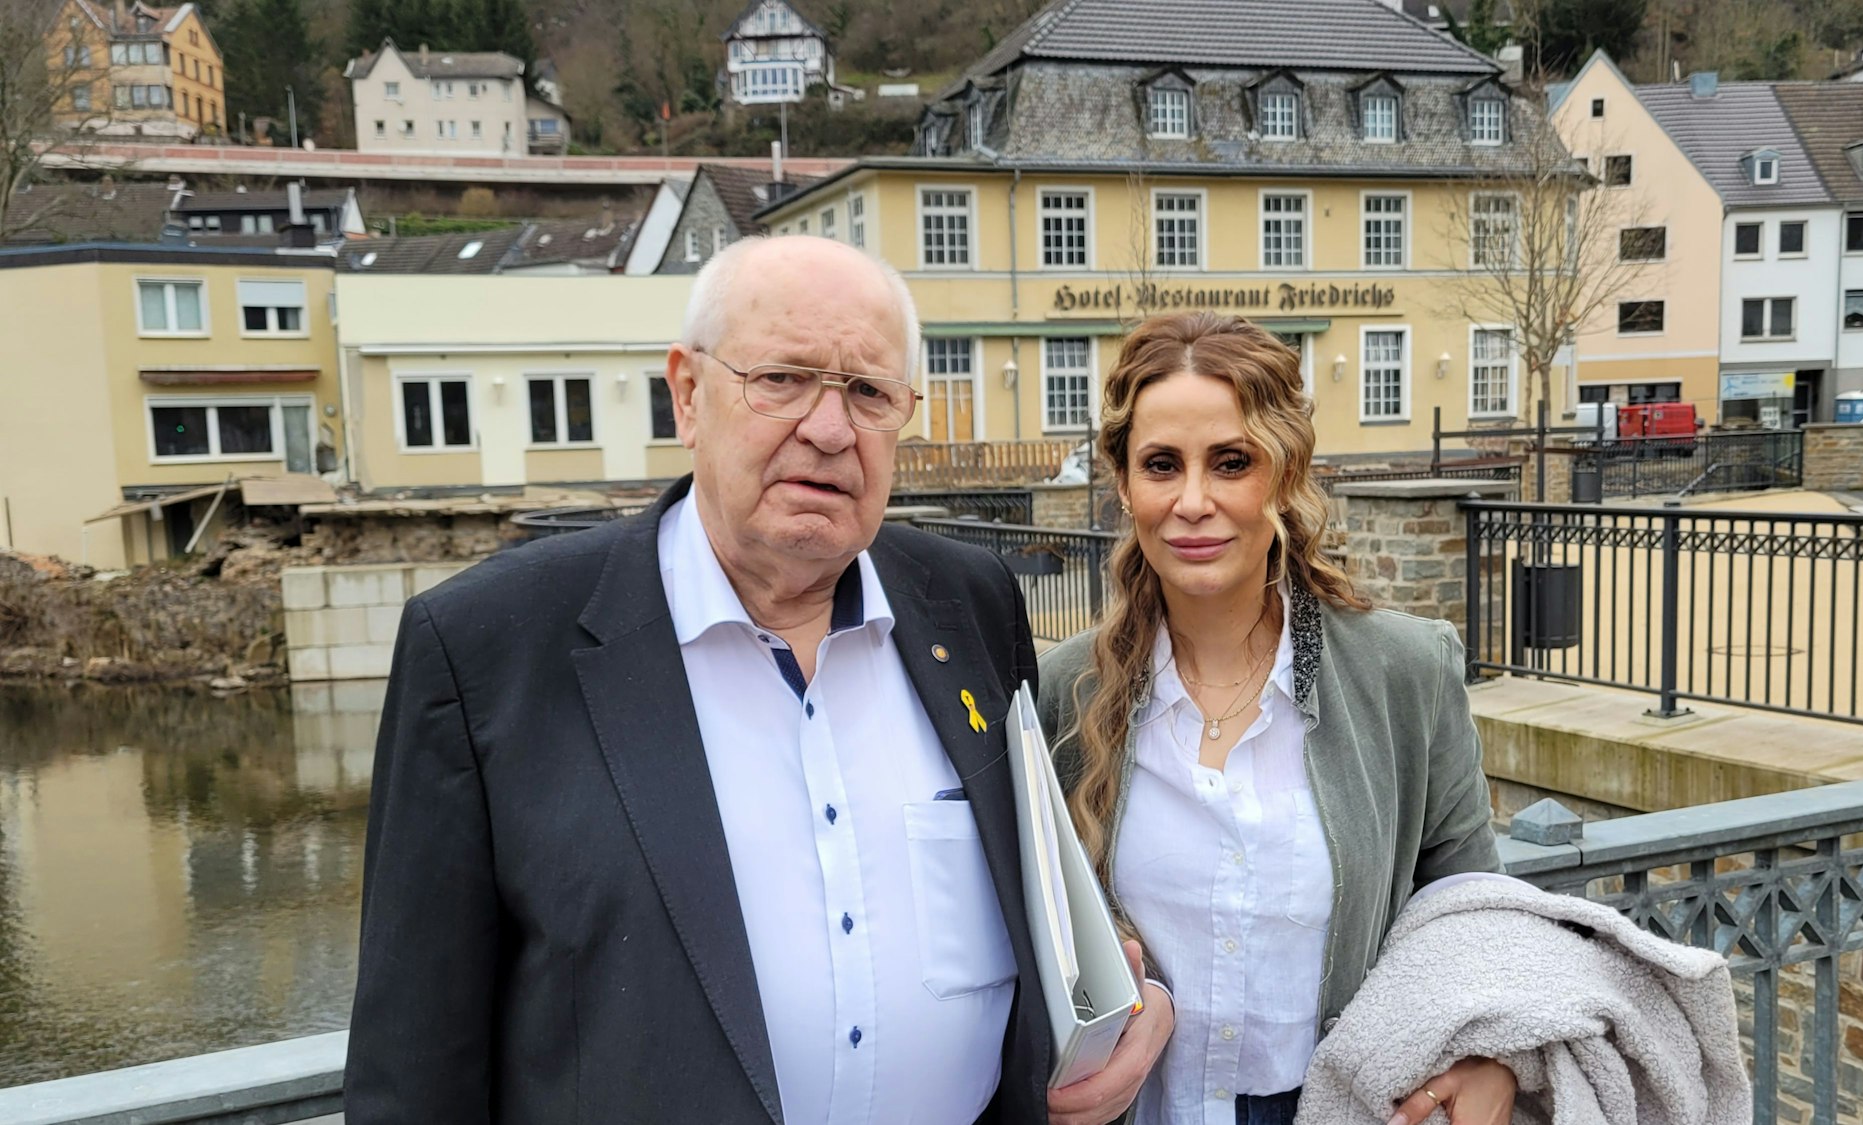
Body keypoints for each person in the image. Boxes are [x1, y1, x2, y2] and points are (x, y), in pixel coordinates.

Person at [345, 235, 1170, 1124]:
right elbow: (414, 1068)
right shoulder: (485, 651)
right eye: (782, 378)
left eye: (868, 391)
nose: (829, 427)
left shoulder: (969, 607)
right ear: (689, 394)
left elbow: (1038, 890)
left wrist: (1118, 993)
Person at [1039, 312, 1518, 1125]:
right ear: (1124, 483)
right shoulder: (1063, 689)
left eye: (1231, 462)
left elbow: (1472, 904)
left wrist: (1490, 1056)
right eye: (1162, 464)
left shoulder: (1404, 672)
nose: (1194, 501)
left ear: (1286, 472)